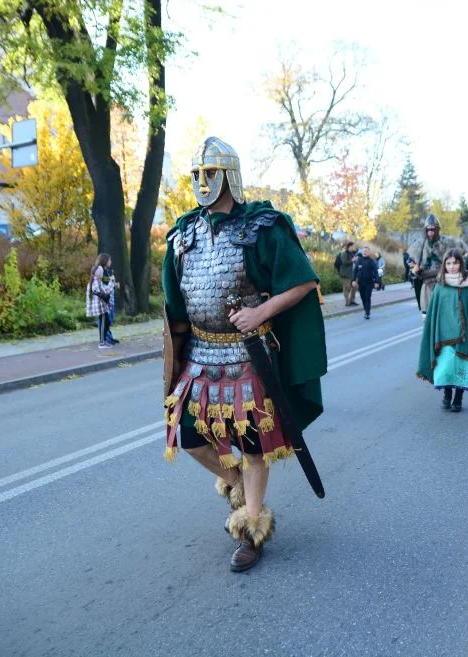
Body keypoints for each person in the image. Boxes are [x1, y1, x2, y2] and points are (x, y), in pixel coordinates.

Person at [161, 136, 326, 572]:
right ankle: (235, 486)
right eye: (196, 174)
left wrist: (261, 311)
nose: (201, 181)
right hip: (200, 358)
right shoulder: (182, 235)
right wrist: (175, 360)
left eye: (210, 173)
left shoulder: (261, 226)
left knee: (253, 448)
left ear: (229, 176)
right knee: (191, 441)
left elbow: (303, 281)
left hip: (248, 357)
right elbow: (173, 307)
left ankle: (251, 528)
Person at [416, 249, 468, 412]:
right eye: (448, 263)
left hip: (464, 338)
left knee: (461, 367)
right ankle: (447, 394)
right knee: (446, 367)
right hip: (443, 338)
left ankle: (458, 398)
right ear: (444, 265)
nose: (452, 266)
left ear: (461, 264)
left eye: (455, 263)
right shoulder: (440, 287)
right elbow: (434, 315)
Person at [407, 215, 465, 316]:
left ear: (437, 229)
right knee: (427, 316)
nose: (431, 232)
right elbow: (412, 268)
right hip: (427, 284)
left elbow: (461, 252)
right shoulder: (420, 245)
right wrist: (414, 270)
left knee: (444, 315)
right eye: (428, 229)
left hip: (443, 282)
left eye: (433, 229)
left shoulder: (447, 242)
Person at [86, 254, 115, 349]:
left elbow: (100, 285)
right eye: (109, 260)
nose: (110, 262)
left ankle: (103, 341)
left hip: (100, 299)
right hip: (99, 300)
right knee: (104, 320)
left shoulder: (98, 270)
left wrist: (110, 284)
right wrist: (111, 282)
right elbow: (98, 287)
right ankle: (102, 343)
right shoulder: (100, 270)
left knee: (105, 320)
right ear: (105, 261)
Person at [354, 246, 381, 319]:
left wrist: (376, 282)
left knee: (367, 297)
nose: (364, 252)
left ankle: (367, 312)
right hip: (360, 283)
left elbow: (376, 272)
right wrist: (353, 280)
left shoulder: (372, 261)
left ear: (369, 252)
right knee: (363, 298)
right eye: (363, 251)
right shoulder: (359, 261)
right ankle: (366, 309)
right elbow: (355, 271)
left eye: (366, 251)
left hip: (369, 283)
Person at [335, 242, 358, 307]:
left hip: (352, 274)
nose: (353, 248)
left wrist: (356, 260)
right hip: (345, 274)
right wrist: (353, 260)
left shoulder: (352, 253)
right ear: (349, 247)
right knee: (346, 288)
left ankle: (352, 301)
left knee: (355, 287)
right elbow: (344, 262)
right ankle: (347, 302)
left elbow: (354, 262)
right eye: (352, 246)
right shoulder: (344, 253)